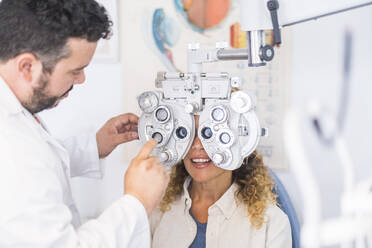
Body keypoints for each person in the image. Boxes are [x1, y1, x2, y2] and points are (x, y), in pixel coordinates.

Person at [0, 0, 169, 247]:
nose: (81, 79)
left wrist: (95, 145)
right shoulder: (13, 151)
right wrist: (137, 202)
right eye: (74, 71)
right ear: (27, 67)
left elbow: (39, 162)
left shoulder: (14, 119)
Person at [150, 115, 292, 248]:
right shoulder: (154, 211)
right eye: (187, 132)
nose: (197, 145)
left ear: (238, 139)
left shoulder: (272, 223)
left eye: (209, 133)